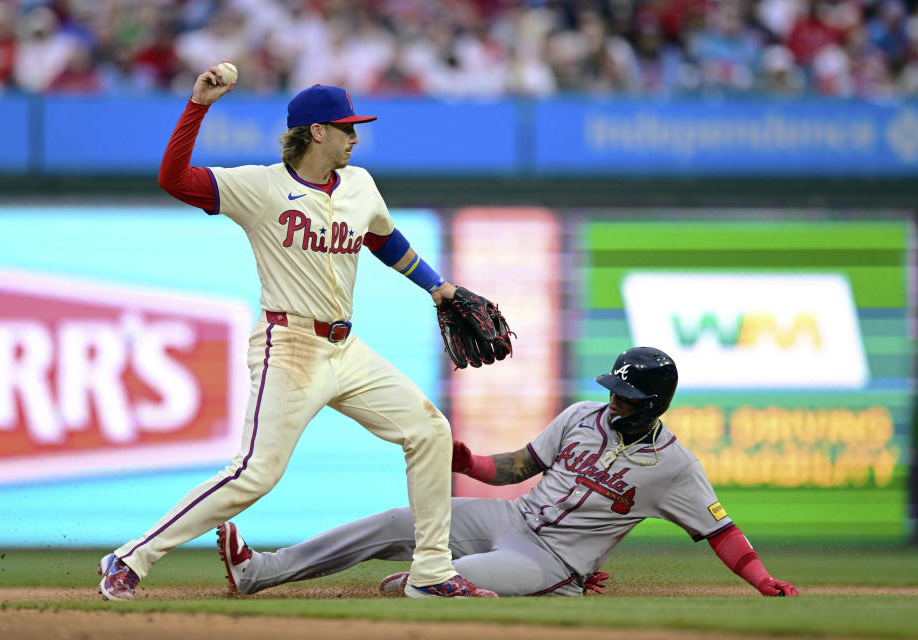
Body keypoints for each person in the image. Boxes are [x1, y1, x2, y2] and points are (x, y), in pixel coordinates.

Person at [96, 61, 496, 600]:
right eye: (347, 127)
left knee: (429, 431)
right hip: (288, 347)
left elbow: (384, 240)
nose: (355, 137)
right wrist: (198, 106)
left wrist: (437, 286)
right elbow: (174, 180)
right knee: (254, 474)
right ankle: (130, 557)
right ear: (318, 132)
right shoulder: (260, 187)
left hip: (345, 349)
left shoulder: (359, 185)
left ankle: (431, 573)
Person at [216, 347, 800, 597]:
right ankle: (259, 572)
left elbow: (721, 530)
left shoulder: (674, 466)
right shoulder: (581, 416)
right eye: (614, 388)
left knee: (442, 580)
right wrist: (468, 462)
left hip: (550, 560)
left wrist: (762, 579)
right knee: (398, 522)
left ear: (652, 403)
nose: (613, 399)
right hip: (510, 517)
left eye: (626, 394)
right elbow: (521, 466)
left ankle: (419, 588)